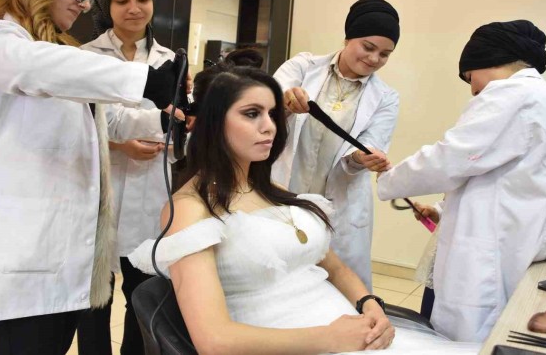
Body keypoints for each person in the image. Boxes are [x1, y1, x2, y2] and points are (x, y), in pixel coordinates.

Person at [129, 67, 479, 354]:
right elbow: (214, 341)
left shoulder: (275, 192)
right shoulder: (190, 210)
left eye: (271, 114)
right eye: (251, 114)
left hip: (349, 333)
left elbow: (336, 268)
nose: (269, 126)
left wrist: (370, 306)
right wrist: (330, 338)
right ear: (212, 122)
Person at [0, 0, 180, 355]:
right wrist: (145, 80)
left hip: (62, 251)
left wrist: (165, 120)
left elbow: (103, 121)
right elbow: (32, 66)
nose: (83, 3)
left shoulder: (59, 54)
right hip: (24, 255)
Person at [377, 20, 546, 342]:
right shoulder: (543, 98)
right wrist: (442, 209)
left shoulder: (512, 94)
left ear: (488, 60)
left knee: (468, 337)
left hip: (490, 254)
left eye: (470, 77)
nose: (472, 89)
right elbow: (502, 178)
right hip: (516, 240)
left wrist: (389, 178)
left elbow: (452, 157)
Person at [77, 0, 184, 355]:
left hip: (150, 190)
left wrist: (171, 135)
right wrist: (120, 144)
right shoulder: (84, 56)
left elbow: (180, 123)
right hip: (96, 189)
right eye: (122, 0)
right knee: (94, 300)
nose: (134, 8)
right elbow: (80, 124)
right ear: (106, 4)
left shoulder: (171, 60)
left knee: (143, 297)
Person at [272, 0, 401, 289]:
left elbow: (369, 144)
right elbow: (266, 105)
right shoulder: (303, 66)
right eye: (368, 47)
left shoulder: (386, 97)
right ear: (348, 38)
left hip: (338, 205)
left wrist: (362, 158)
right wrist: (285, 102)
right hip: (286, 191)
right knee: (280, 278)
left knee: (333, 287)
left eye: (385, 54)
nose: (374, 59)